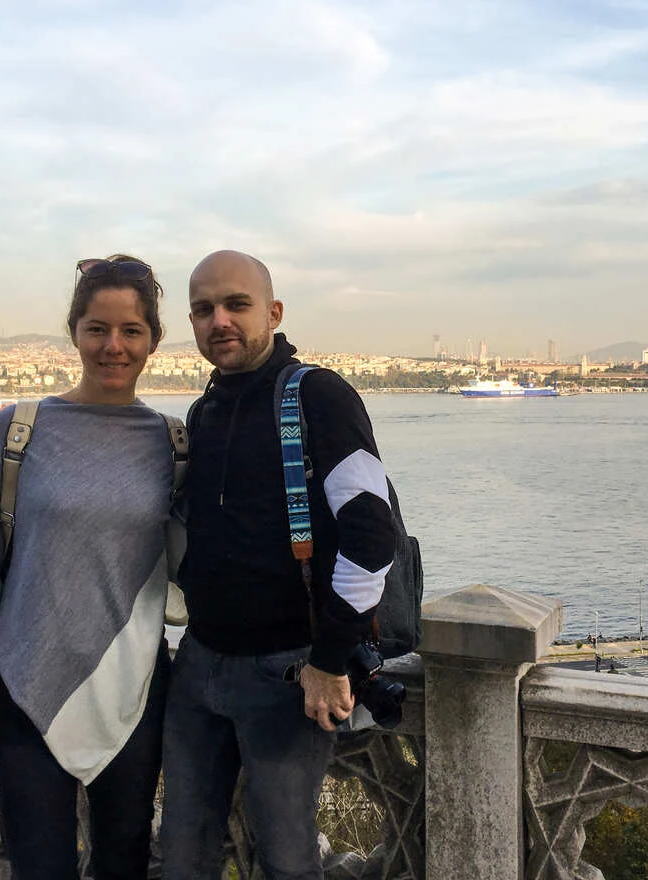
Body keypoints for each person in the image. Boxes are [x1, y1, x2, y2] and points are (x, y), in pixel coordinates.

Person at [0, 254, 174, 880]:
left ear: (153, 339)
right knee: (39, 864)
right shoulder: (17, 432)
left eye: (130, 331)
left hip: (137, 681)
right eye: (98, 328)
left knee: (125, 860)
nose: (113, 346)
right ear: (74, 332)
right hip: (20, 678)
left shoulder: (174, 443)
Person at [159, 250, 396, 880]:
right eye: (204, 309)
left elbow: (373, 535)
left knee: (288, 860)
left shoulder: (317, 395)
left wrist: (327, 660)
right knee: (181, 852)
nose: (220, 321)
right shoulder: (208, 408)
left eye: (237, 305)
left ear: (274, 311)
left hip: (287, 672)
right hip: (200, 661)